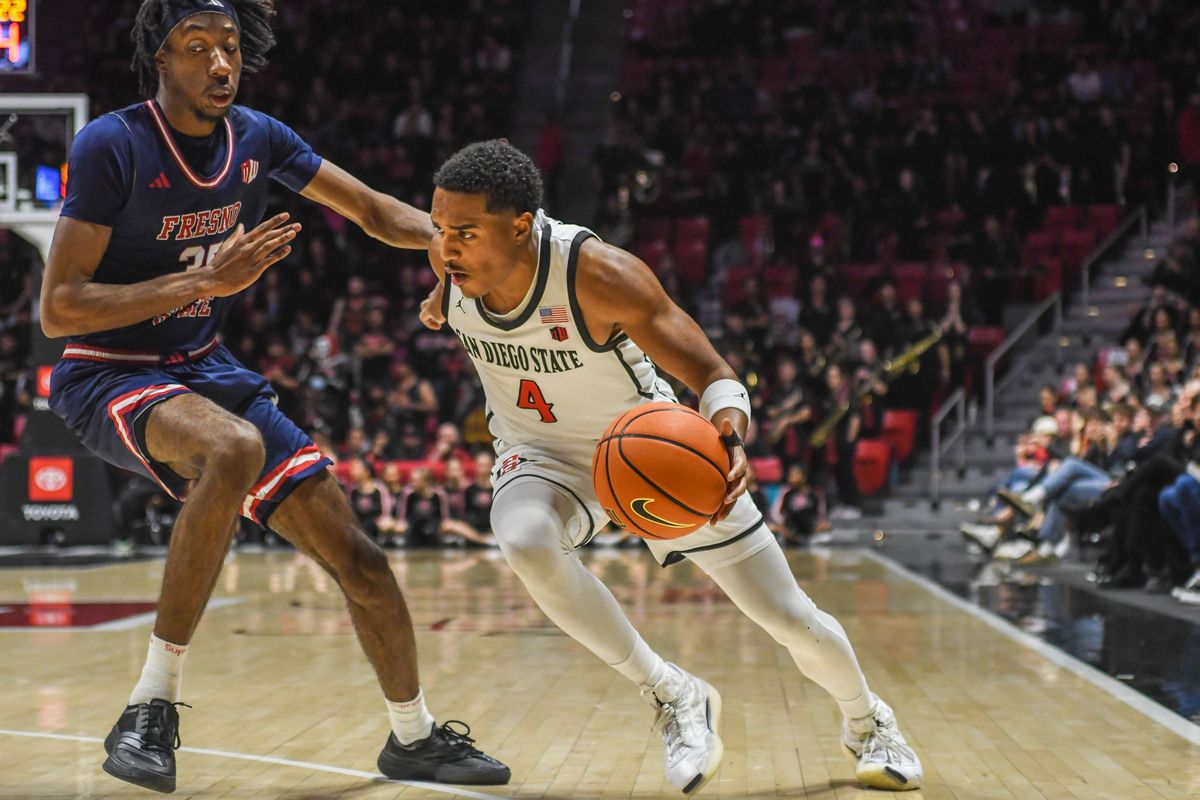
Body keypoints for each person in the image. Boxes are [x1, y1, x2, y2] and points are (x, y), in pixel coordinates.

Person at [40, 1, 507, 792]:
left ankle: (414, 736)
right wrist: (206, 281)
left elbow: (369, 209)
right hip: (107, 368)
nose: (221, 64)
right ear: (161, 56)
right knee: (233, 447)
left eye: (230, 48)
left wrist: (447, 245)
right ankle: (151, 706)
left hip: (206, 367)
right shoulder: (111, 145)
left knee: (362, 561)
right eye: (198, 48)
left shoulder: (258, 136)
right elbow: (59, 308)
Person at [418, 140, 922, 794]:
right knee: (523, 538)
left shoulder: (598, 274)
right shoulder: (454, 259)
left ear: (520, 225)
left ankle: (868, 721)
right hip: (542, 454)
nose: (445, 245)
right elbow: (383, 219)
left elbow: (714, 373)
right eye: (437, 228)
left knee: (787, 617)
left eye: (462, 231)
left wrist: (731, 437)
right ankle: (673, 694)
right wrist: (276, 153)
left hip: (648, 448)